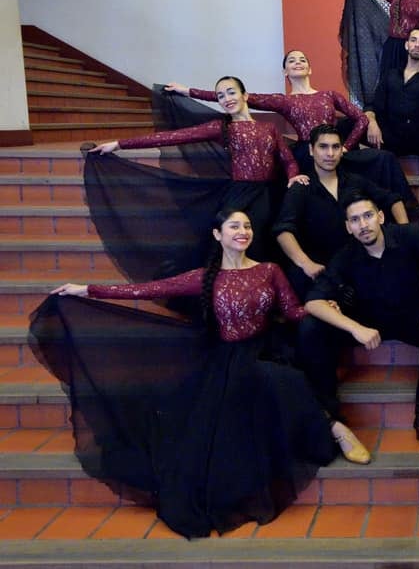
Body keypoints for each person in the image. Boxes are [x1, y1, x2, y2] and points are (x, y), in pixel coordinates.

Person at [28, 210, 368, 538]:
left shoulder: (269, 270)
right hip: (226, 359)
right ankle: (327, 427)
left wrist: (325, 309)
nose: (242, 231)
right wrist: (86, 290)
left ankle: (334, 427)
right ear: (218, 235)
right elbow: (145, 290)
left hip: (267, 347)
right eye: (234, 226)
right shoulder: (204, 277)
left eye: (247, 226)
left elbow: (293, 311)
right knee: (246, 393)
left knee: (281, 377)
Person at [86, 76, 307, 282]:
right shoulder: (221, 128)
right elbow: (171, 137)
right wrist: (120, 144)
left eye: (231, 93)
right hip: (239, 197)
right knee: (230, 248)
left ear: (245, 95)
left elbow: (287, 160)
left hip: (269, 194)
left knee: (266, 245)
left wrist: (293, 176)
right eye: (221, 96)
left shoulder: (269, 127)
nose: (227, 99)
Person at [299, 193, 419, 458]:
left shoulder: (407, 234)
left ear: (380, 217)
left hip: (411, 314)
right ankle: (329, 416)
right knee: (311, 328)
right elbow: (312, 302)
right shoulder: (346, 255)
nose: (363, 225)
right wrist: (354, 327)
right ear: (348, 227)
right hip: (369, 321)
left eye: (367, 216)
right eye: (355, 220)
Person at [165, 50, 414, 204]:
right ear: (285, 71)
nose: (297, 62)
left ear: (309, 68)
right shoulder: (283, 100)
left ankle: (399, 213)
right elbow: (234, 96)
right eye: (291, 60)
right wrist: (188, 91)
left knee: (384, 159)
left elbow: (360, 118)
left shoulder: (329, 94)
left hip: (334, 148)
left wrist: (347, 147)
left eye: (302, 59)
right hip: (307, 152)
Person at [273, 124, 407, 299]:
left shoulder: (354, 181)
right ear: (311, 150)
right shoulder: (301, 187)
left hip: (355, 260)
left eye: (335, 147)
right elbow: (283, 231)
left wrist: (404, 233)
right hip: (320, 265)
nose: (330, 154)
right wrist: (306, 263)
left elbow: (393, 199)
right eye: (323, 147)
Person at [364, 28, 419, 156]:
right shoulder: (391, 75)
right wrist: (371, 123)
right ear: (406, 45)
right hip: (389, 138)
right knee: (348, 125)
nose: (417, 45)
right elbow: (371, 105)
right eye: (413, 40)